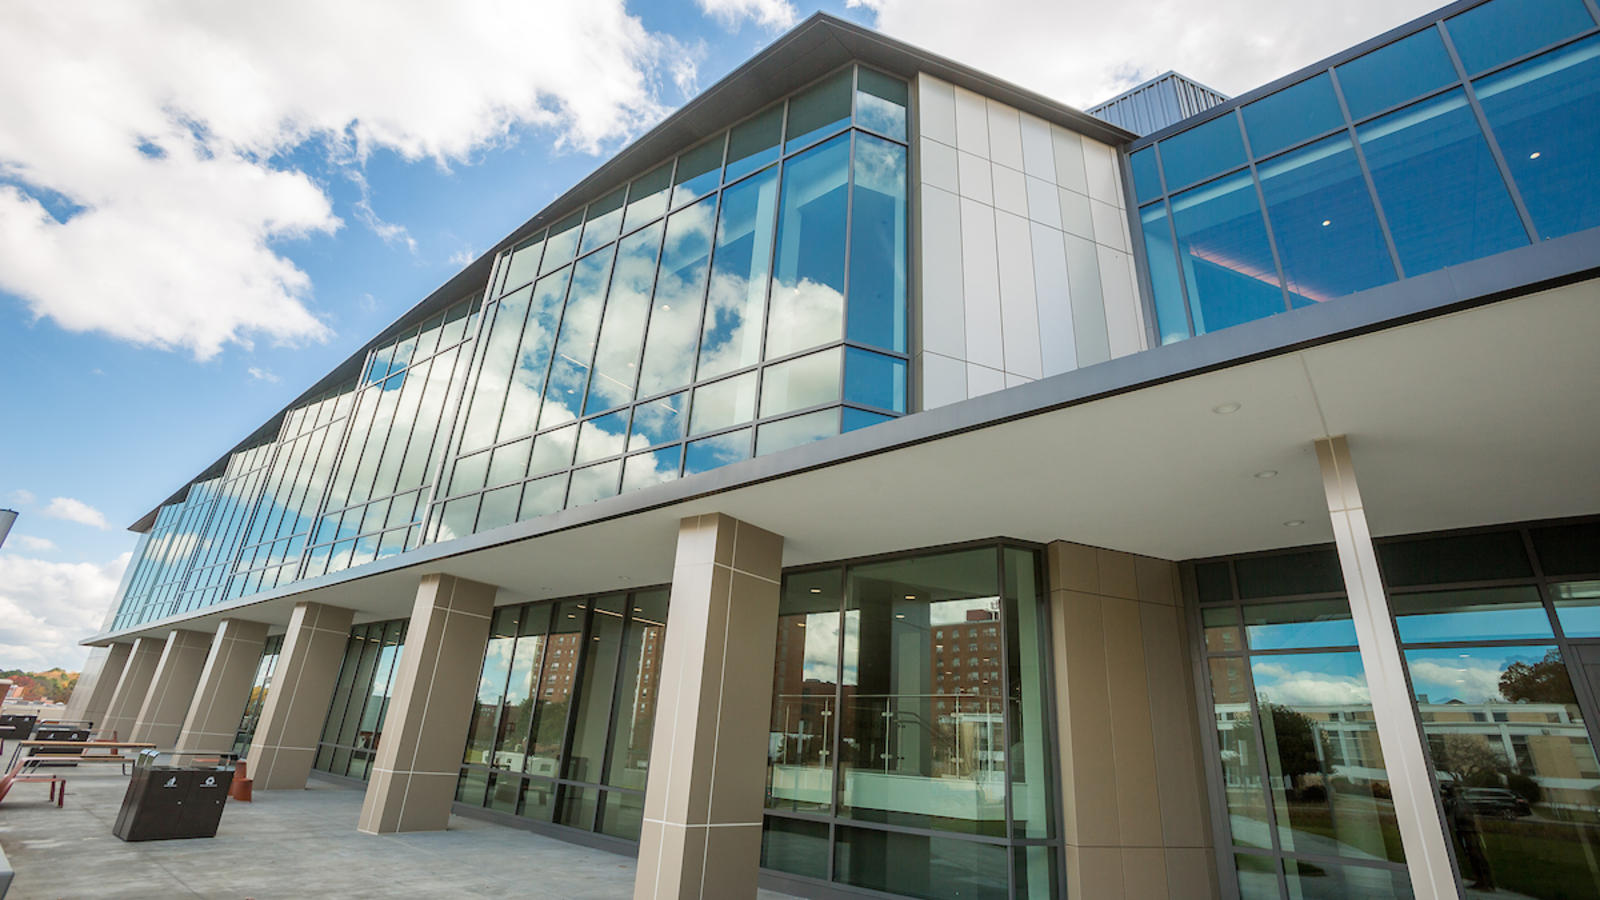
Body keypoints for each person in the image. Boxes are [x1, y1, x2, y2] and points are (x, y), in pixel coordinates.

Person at [1443, 783, 1496, 891]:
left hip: (1467, 830)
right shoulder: (1456, 801)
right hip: (1462, 830)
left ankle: (1486, 882)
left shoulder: (1459, 802)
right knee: (1471, 856)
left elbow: (1462, 815)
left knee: (1476, 855)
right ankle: (1481, 880)